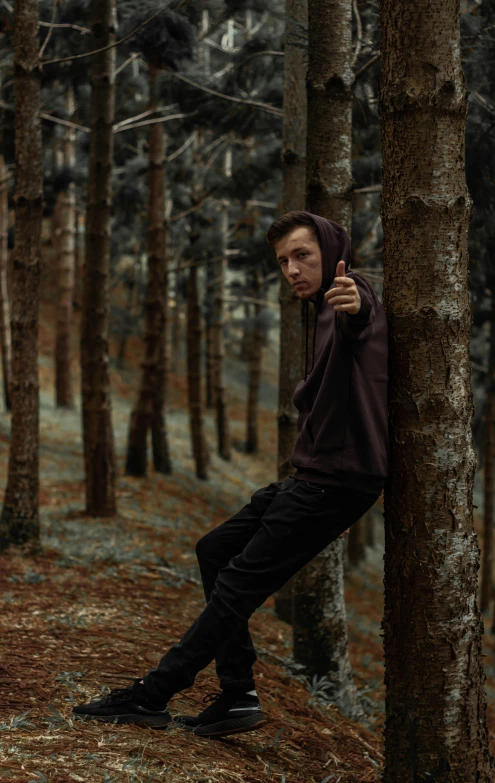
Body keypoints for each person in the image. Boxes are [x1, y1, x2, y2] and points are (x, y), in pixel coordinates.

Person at [72, 210, 389, 737]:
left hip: (336, 482)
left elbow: (361, 318)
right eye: (283, 261)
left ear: (333, 254)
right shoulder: (321, 309)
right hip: (313, 474)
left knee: (237, 587)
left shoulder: (349, 293)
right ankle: (238, 695)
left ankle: (153, 695)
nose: (291, 269)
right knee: (214, 550)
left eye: (302, 255)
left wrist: (353, 306)